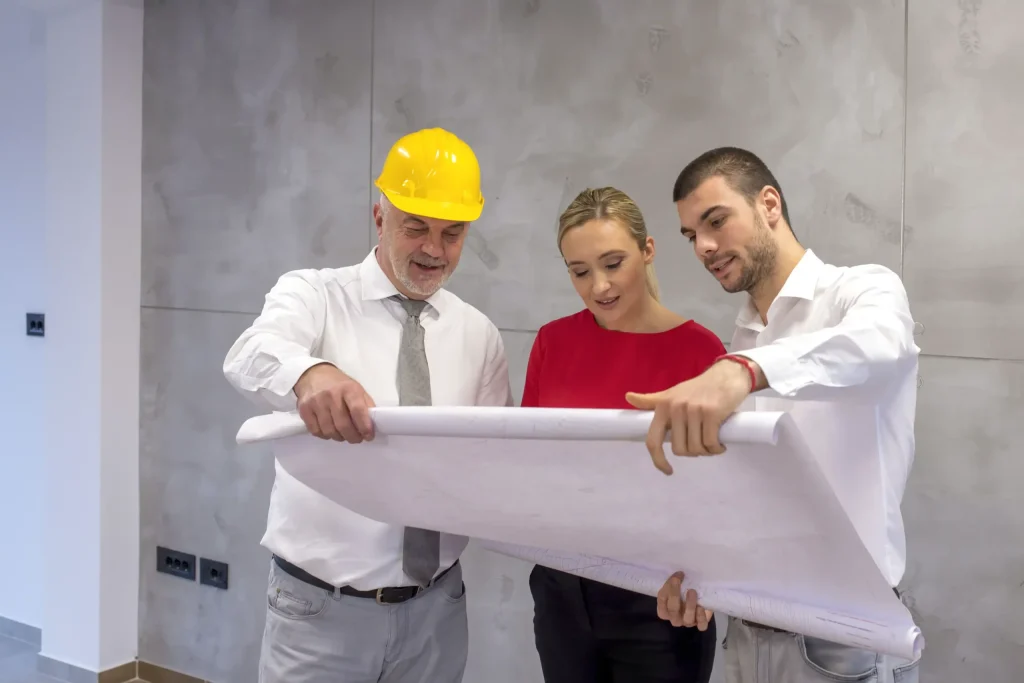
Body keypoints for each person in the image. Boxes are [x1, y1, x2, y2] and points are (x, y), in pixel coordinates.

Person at [222, 127, 512, 683]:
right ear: (379, 218)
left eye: (452, 234)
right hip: (320, 614)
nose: (434, 249)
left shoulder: (478, 334)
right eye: (416, 228)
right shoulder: (315, 296)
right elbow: (248, 353)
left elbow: (489, 462)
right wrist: (310, 372)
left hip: (438, 610)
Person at [627, 148, 921, 682]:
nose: (705, 247)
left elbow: (878, 344)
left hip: (841, 638)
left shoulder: (861, 291)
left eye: (715, 221)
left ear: (768, 204)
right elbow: (753, 495)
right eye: (691, 235)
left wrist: (744, 370)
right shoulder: (744, 336)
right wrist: (702, 576)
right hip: (749, 627)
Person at [522, 187, 722, 683]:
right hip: (563, 590)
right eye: (580, 271)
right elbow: (527, 463)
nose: (600, 286)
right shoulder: (553, 341)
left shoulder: (701, 352)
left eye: (613, 263)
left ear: (648, 250)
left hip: (662, 598)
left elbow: (725, 490)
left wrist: (712, 584)